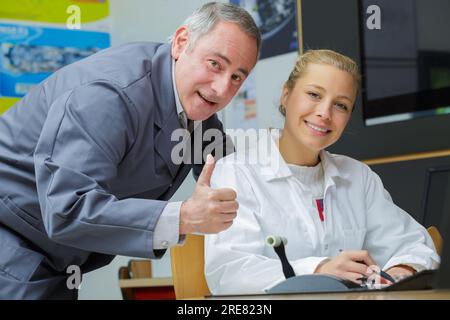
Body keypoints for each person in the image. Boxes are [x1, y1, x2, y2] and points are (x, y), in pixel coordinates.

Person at [0, 2, 260, 299]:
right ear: (181, 42)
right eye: (215, 64)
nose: (222, 89)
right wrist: (184, 216)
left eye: (237, 77)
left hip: (56, 261)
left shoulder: (196, 112)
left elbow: (239, 180)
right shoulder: (108, 94)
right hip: (12, 244)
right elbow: (66, 209)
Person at [204, 49, 440, 295]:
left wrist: (400, 271)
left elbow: (416, 245)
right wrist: (318, 269)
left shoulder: (359, 177)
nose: (325, 114)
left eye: (341, 105)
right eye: (314, 94)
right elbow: (230, 274)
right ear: (286, 95)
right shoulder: (235, 173)